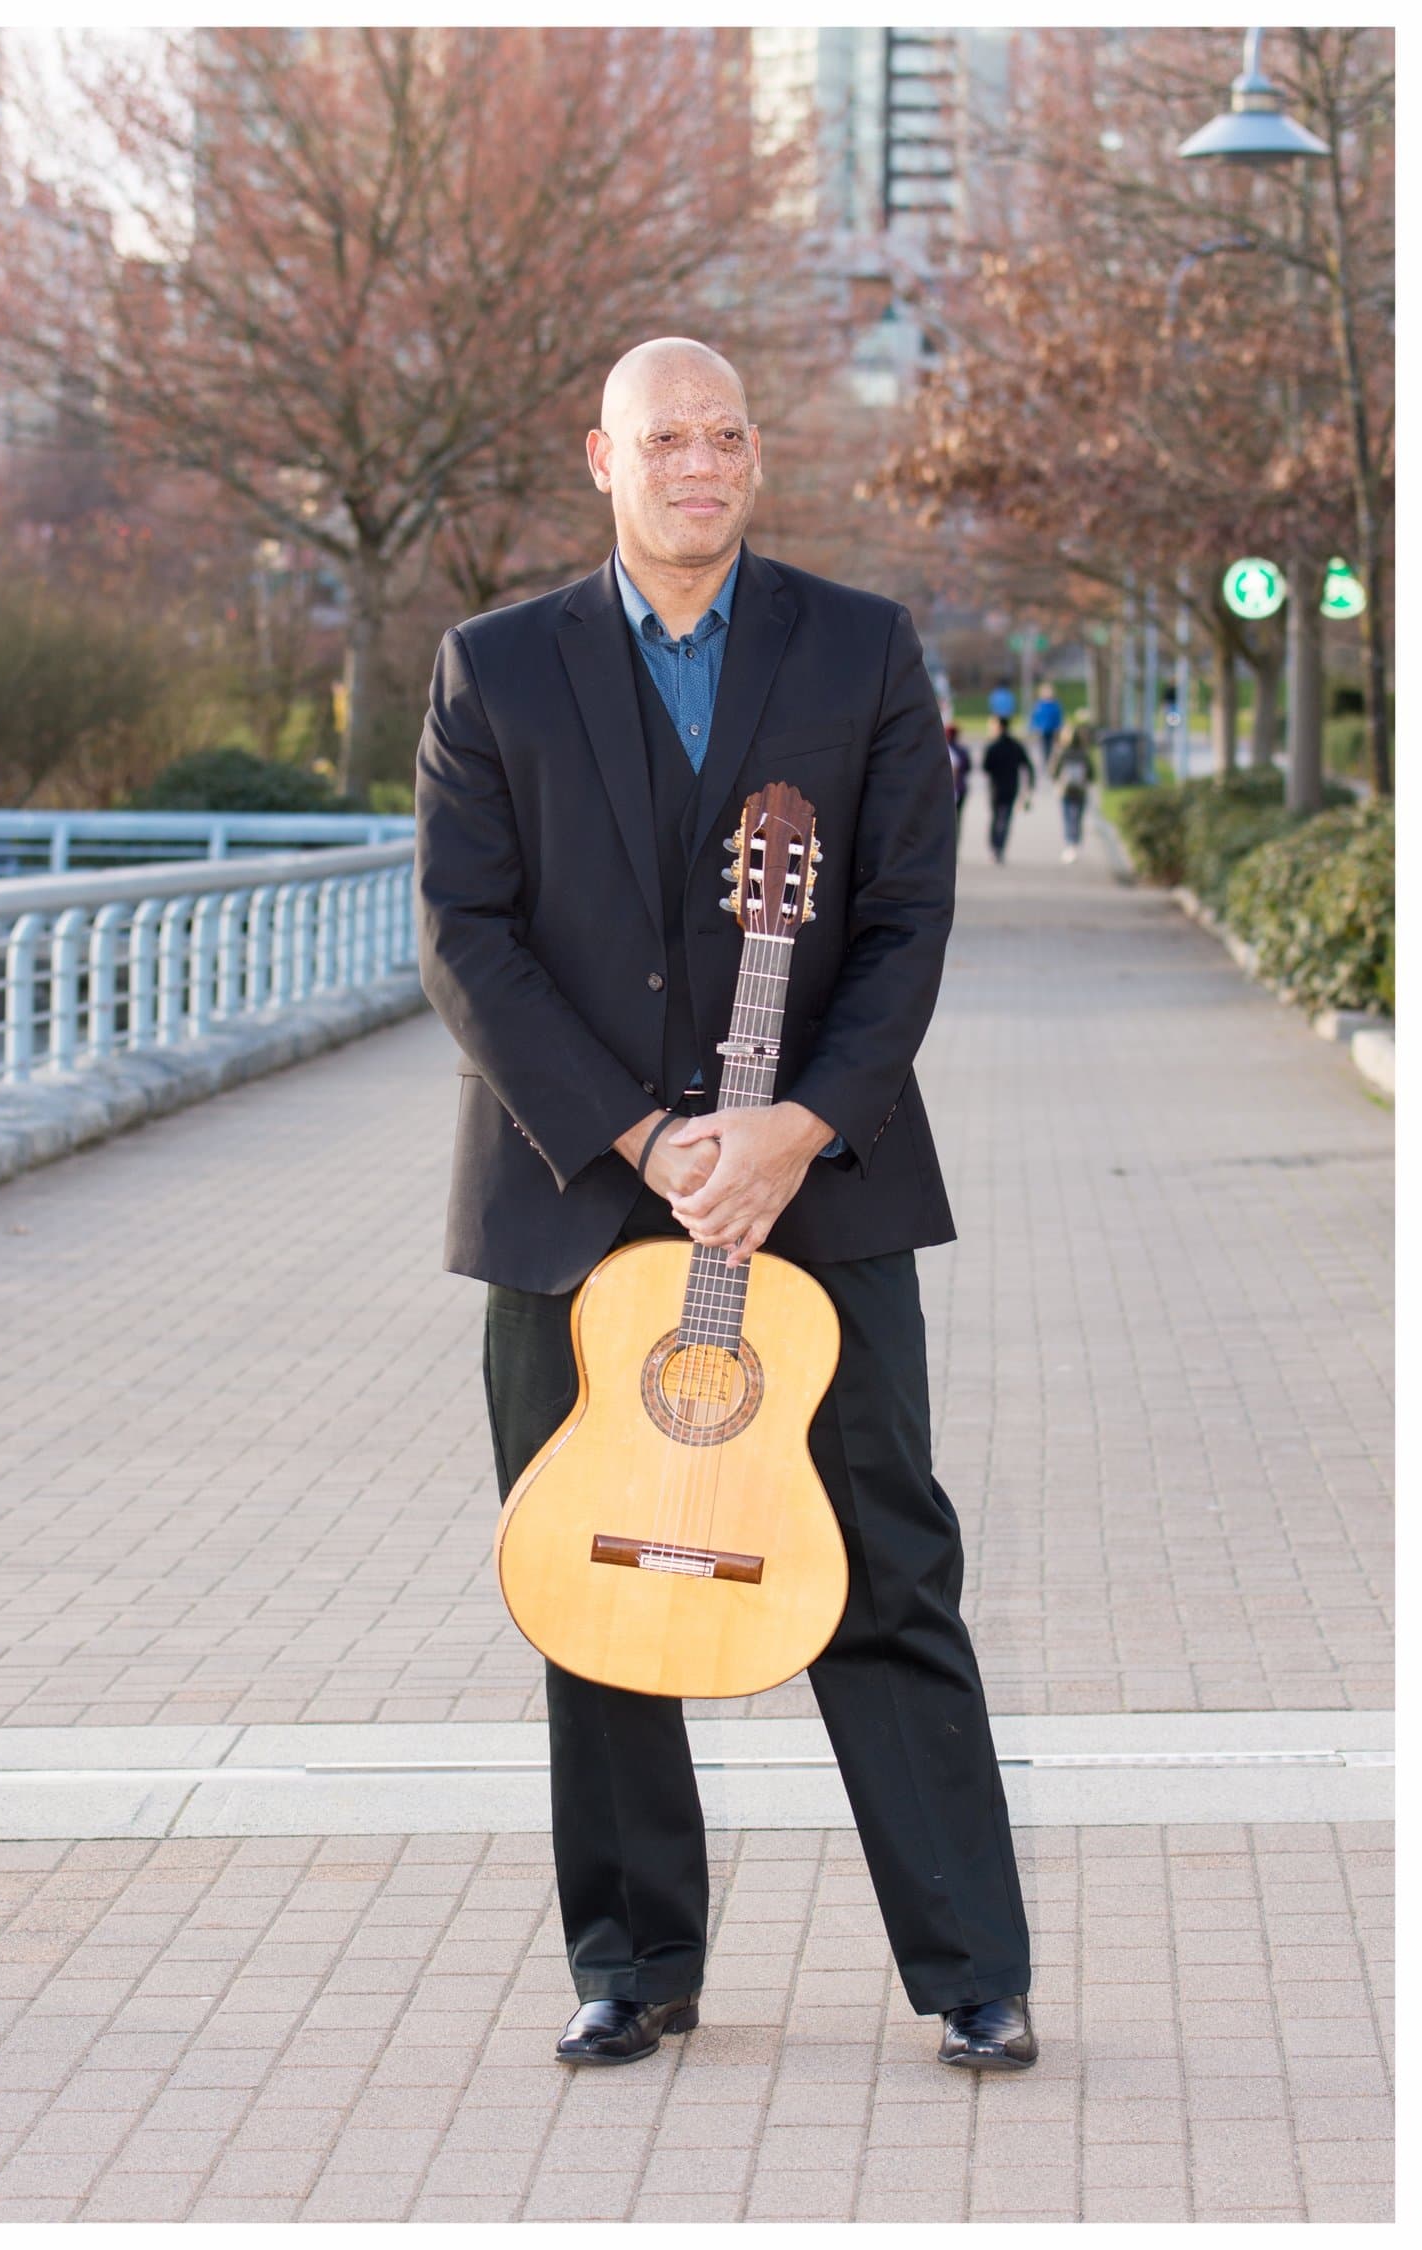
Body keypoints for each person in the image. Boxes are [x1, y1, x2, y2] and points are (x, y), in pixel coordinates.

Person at [416, 337, 1034, 2078]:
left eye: (728, 436)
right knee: (592, 1578)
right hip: (571, 1195)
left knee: (889, 1567)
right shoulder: (491, 669)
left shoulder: (862, 648)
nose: (703, 462)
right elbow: (468, 939)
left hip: (820, 1196)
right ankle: (634, 1959)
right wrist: (642, 1136)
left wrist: (798, 1123)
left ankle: (974, 1966)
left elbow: (911, 918)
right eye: (664, 437)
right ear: (597, 460)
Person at [981, 713, 1035, 863]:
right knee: (1005, 818)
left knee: (995, 817)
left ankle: (994, 847)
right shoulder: (1015, 745)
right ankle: (1000, 847)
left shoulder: (993, 745)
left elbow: (985, 768)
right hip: (1011, 787)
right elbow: (1027, 766)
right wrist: (1029, 786)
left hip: (995, 788)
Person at [1050, 719, 1096, 862]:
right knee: (1077, 817)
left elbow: (1053, 770)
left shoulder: (1061, 753)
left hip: (1065, 789)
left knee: (1068, 816)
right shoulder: (1084, 754)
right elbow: (1091, 773)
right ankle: (1075, 841)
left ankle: (1070, 842)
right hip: (1080, 789)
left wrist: (1057, 779)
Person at [1029, 679, 1064, 770]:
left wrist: (1059, 728)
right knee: (1044, 747)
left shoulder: (1055, 705)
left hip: (1052, 729)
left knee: (1052, 747)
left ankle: (1051, 763)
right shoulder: (1039, 705)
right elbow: (1034, 718)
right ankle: (1045, 762)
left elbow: (1058, 718)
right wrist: (1033, 728)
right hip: (1042, 730)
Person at [945, 720, 972, 837]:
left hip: (947, 790)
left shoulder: (943, 750)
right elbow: (968, 768)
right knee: (958, 818)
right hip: (960, 788)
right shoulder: (962, 751)